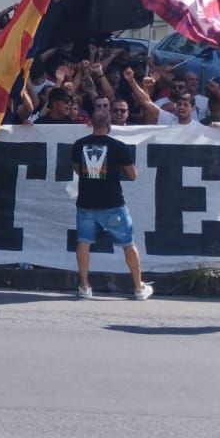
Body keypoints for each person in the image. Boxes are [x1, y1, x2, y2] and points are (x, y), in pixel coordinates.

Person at [71, 97, 153, 300]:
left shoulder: (78, 144)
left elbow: (78, 170)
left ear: (91, 123)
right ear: (109, 125)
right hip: (113, 203)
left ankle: (84, 286)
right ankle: (138, 287)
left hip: (86, 202)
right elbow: (133, 175)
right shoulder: (118, 146)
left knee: (83, 242)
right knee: (128, 243)